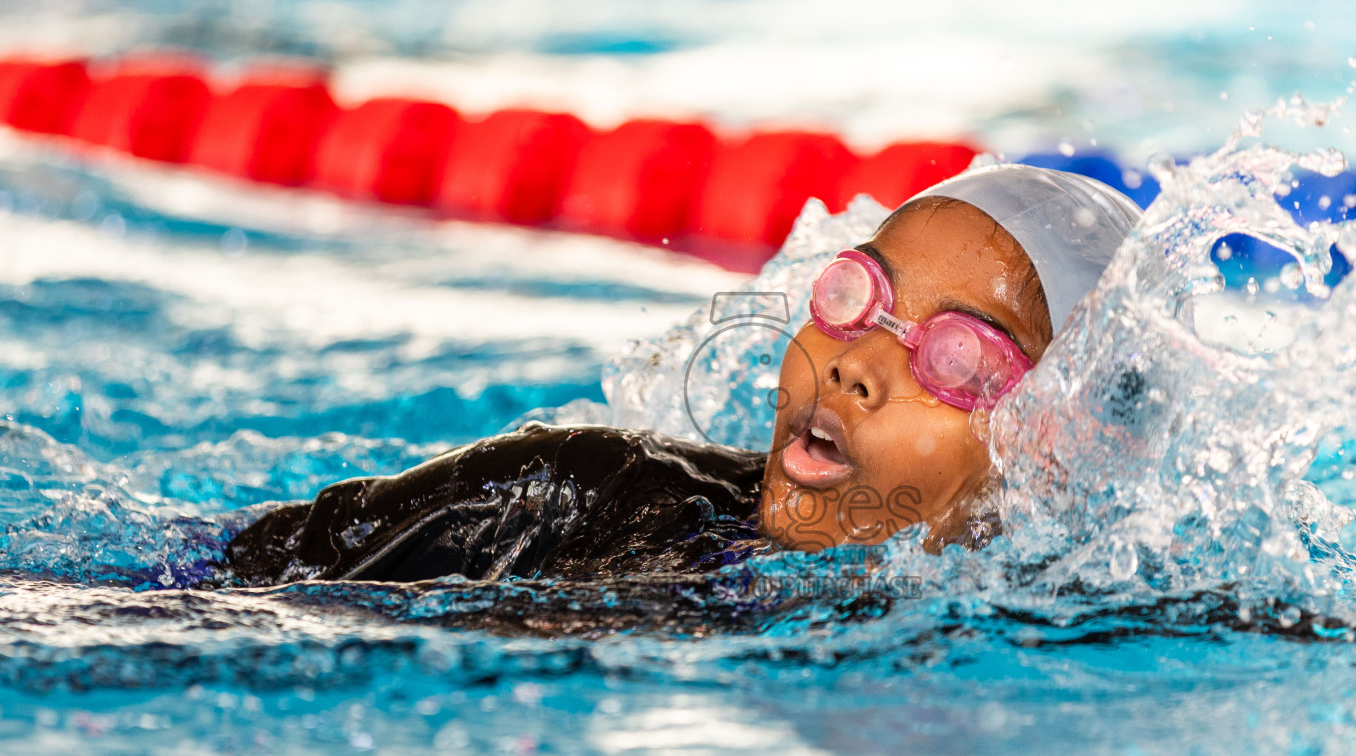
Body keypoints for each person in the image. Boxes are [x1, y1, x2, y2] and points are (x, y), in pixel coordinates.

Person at [219, 163, 1142, 587]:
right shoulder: (576, 493)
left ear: (1054, 445)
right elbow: (203, 590)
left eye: (958, 357)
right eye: (856, 298)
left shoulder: (1104, 629)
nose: (855, 365)